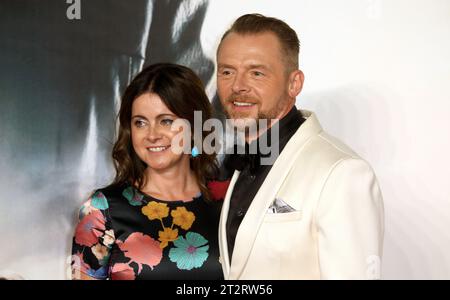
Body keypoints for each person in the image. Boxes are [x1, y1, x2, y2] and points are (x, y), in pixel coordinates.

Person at [216, 14, 384, 279]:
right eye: (227, 71)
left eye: (256, 73)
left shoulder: (343, 172)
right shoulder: (238, 163)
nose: (237, 86)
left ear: (294, 83)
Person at [71, 63, 224, 280]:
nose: (152, 135)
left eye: (166, 121)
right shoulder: (101, 210)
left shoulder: (228, 202)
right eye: (140, 123)